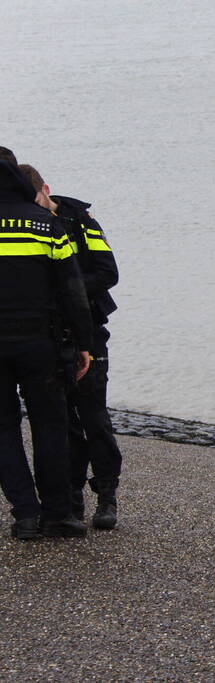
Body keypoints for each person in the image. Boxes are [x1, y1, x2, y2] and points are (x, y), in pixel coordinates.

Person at [20, 164, 122, 530]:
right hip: (50, 335)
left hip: (89, 328)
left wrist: (68, 290)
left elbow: (108, 272)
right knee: (62, 423)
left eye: (35, 198)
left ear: (45, 189)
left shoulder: (81, 219)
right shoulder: (27, 225)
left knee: (94, 416)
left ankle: (107, 495)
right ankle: (72, 498)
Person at [0, 146, 92, 539]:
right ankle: (58, 514)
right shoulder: (46, 224)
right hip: (41, 342)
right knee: (49, 425)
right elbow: (72, 290)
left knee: (3, 429)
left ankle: (25, 514)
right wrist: (84, 343)